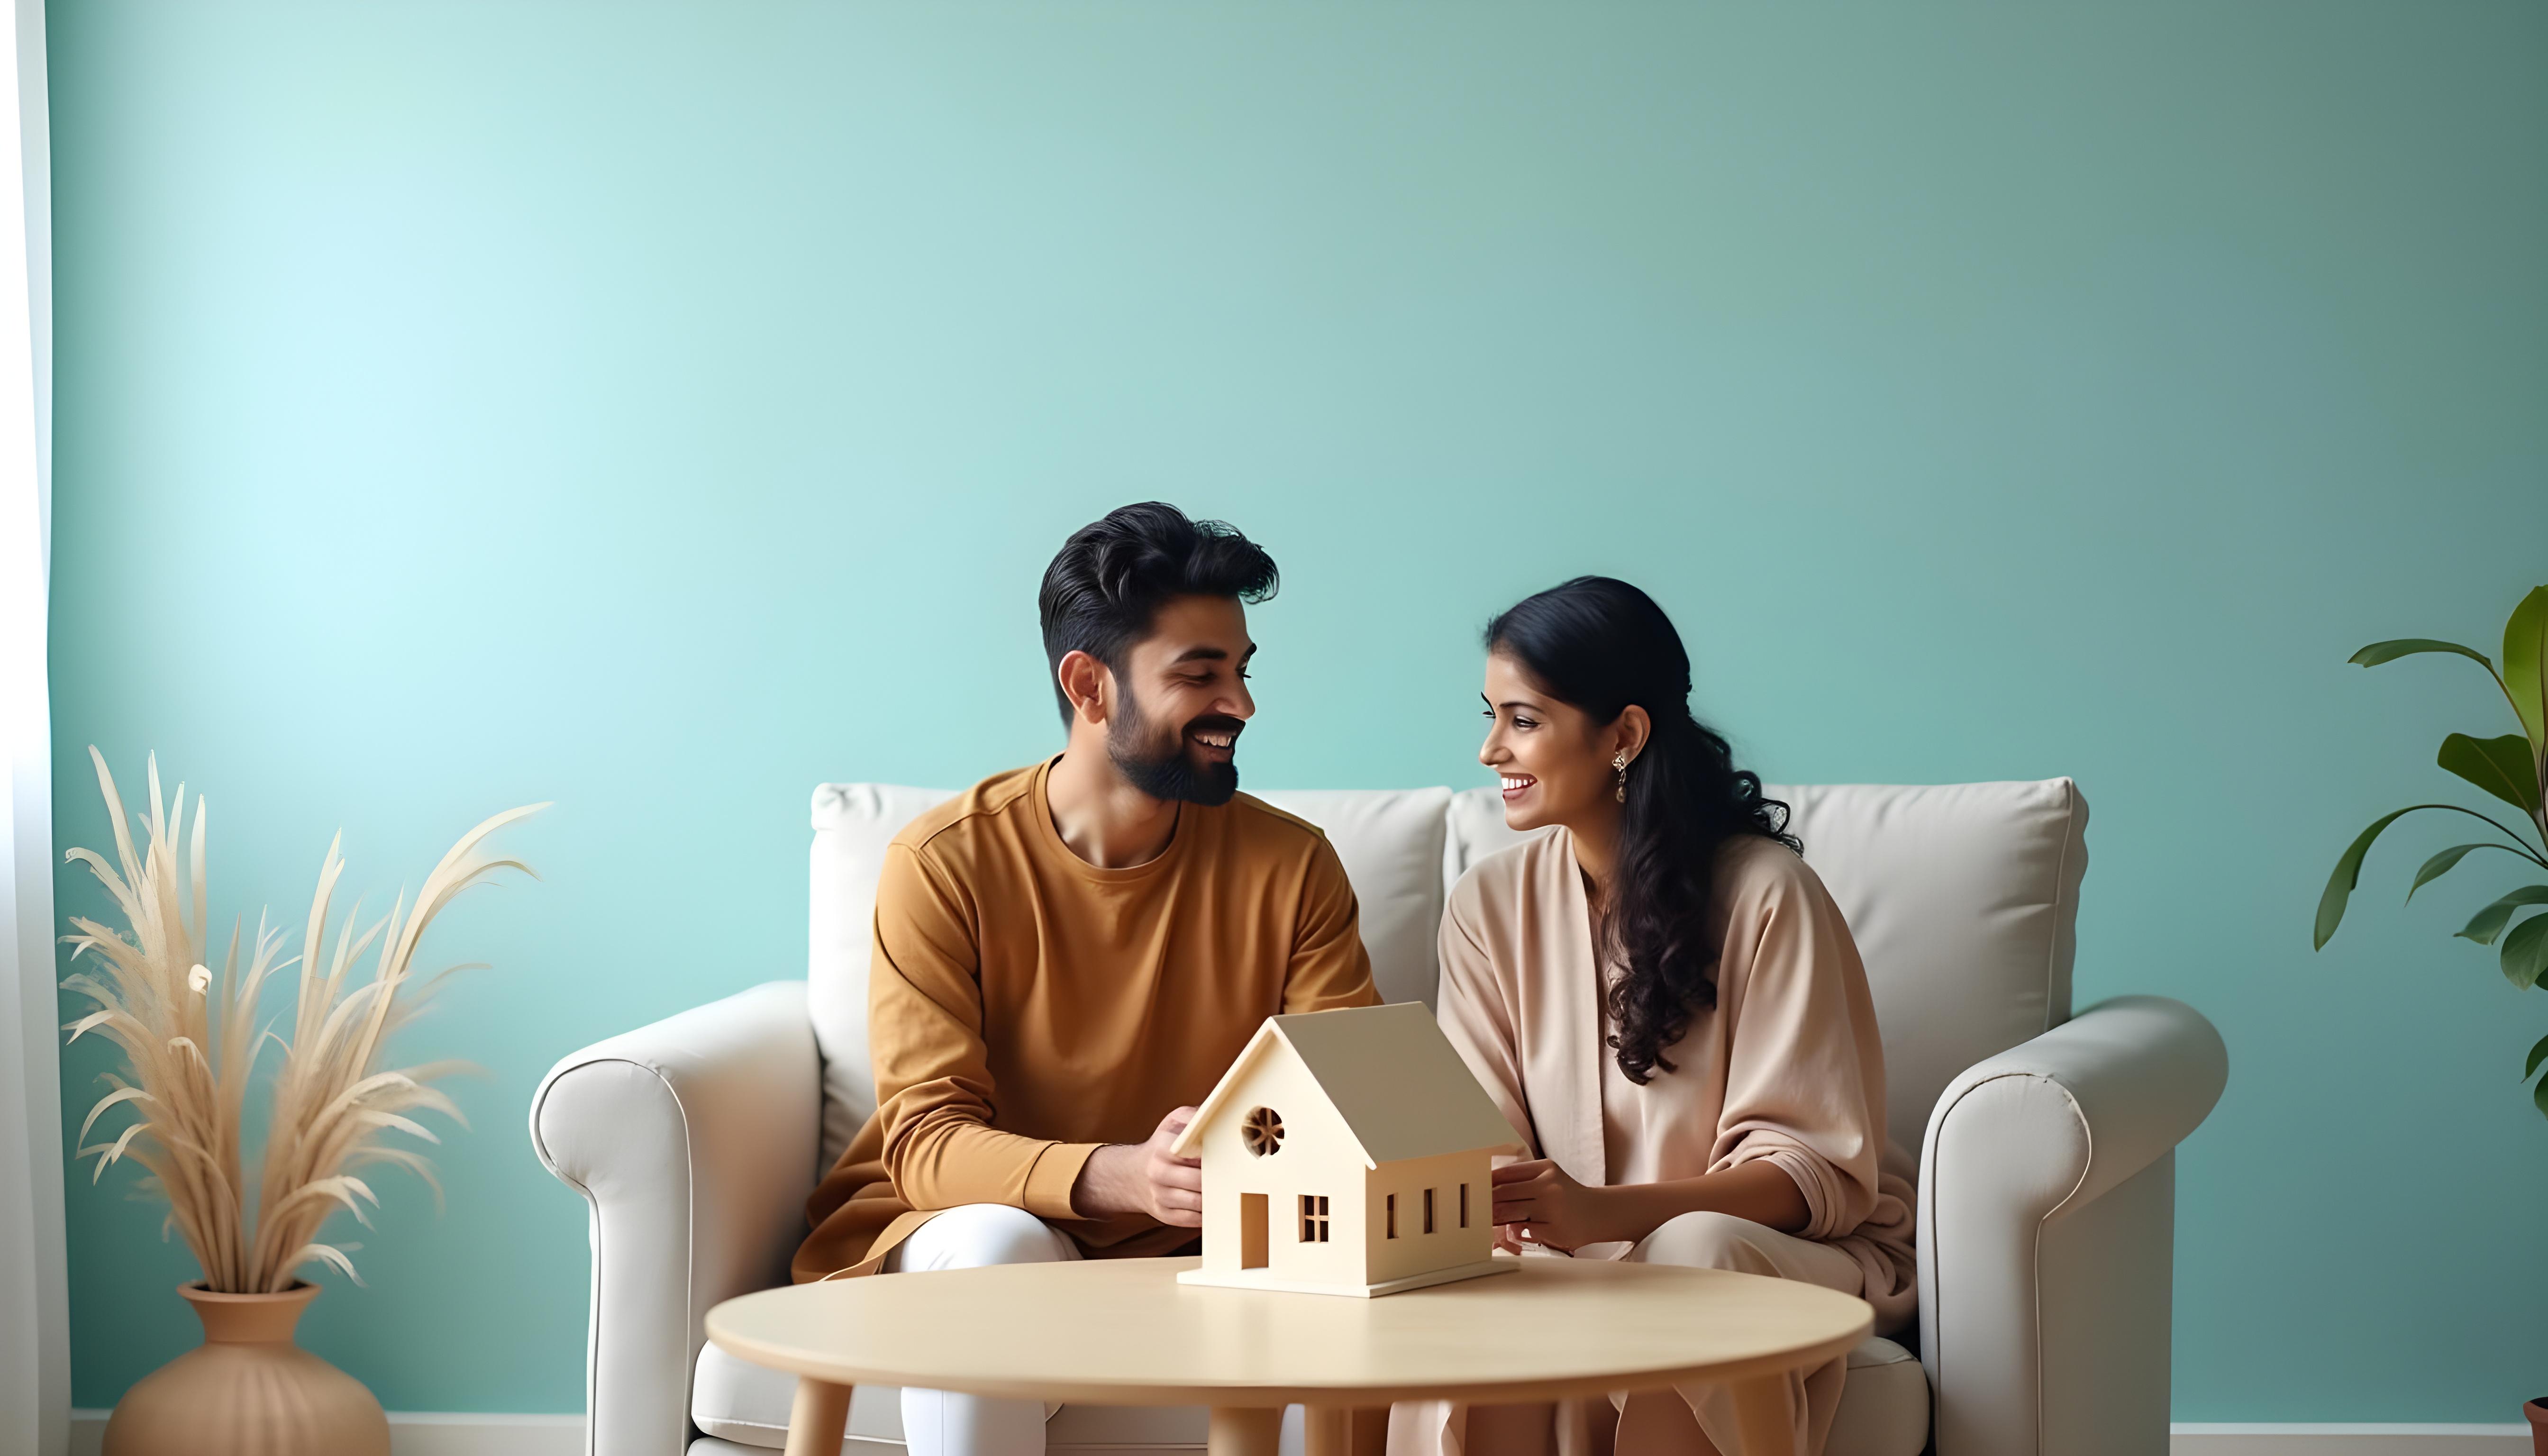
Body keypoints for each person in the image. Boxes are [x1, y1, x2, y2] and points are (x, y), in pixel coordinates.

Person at [789, 502, 1380, 1456]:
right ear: (1090, 685)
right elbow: (928, 1145)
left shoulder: (1294, 866)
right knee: (997, 1250)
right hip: (976, 1226)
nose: (1242, 703)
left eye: (1241, 669)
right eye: (1200, 673)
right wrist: (1127, 1178)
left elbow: (1353, 1110)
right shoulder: (944, 862)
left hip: (1209, 1248)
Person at [1395, 577, 1915, 1456]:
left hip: (1764, 1250)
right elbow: (1476, 1140)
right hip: (1564, 1261)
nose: (1490, 750)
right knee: (1467, 1281)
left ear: (1624, 736)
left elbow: (1810, 1174)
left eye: (1522, 720)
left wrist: (1607, 1214)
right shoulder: (1486, 906)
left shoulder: (1767, 895)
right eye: (1489, 715)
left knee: (1695, 1251)